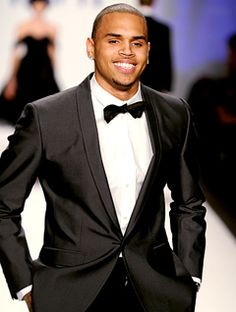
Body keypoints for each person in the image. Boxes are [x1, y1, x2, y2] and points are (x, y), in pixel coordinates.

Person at [0, 3, 206, 312]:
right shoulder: (46, 117)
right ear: (91, 47)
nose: (127, 51)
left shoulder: (175, 113)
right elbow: (3, 205)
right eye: (114, 40)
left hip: (155, 292)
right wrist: (26, 285)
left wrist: (189, 277)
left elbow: (189, 203)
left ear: (148, 51)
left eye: (136, 43)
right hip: (70, 293)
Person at [0, 0, 60, 125]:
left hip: (45, 71)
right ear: (32, 5)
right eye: (36, 3)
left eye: (41, 3)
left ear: (45, 5)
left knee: (47, 109)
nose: (39, 7)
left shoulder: (52, 28)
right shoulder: (23, 27)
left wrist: (54, 75)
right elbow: (16, 54)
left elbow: (52, 54)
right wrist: (12, 78)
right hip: (26, 70)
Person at [138, 0, 173, 92]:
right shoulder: (163, 29)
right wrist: (166, 86)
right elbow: (166, 59)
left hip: (133, 82)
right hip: (155, 85)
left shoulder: (129, 27)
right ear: (153, 2)